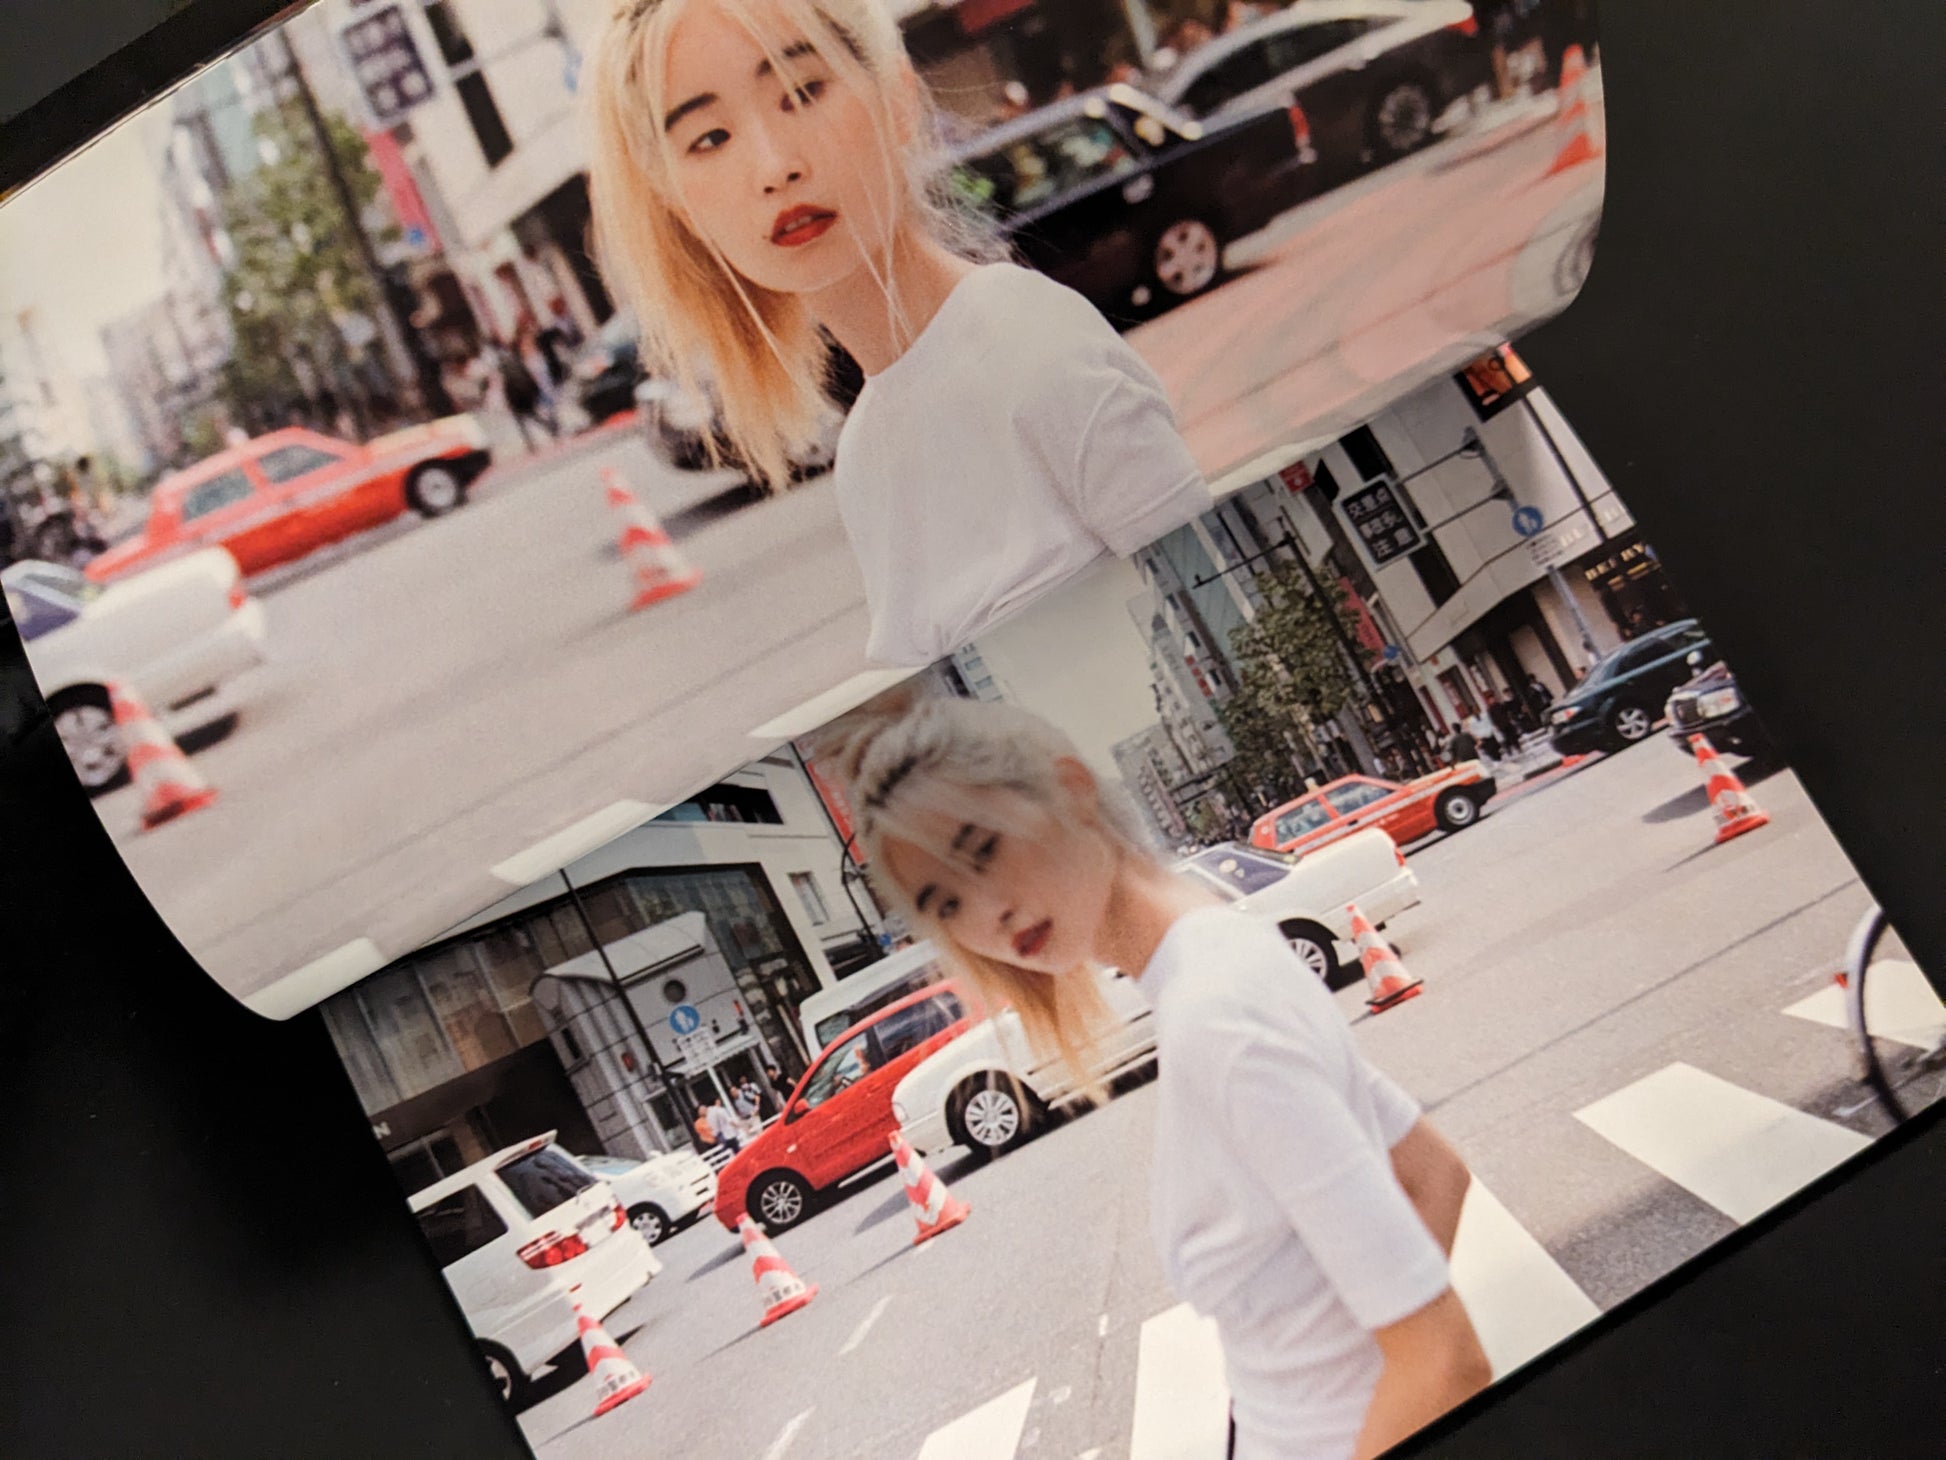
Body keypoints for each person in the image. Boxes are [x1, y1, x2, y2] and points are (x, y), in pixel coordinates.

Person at [812, 689, 1490, 1460]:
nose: (986, 911)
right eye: (946, 902)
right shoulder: (1219, 954)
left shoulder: (1215, 1019)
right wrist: (1346, 1360)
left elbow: (1445, 1359)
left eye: (984, 849)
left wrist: (1363, 1387)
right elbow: (1434, 1176)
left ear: (1071, 789)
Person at [587, 0, 1214, 668]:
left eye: (802, 91)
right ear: (680, 206)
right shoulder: (863, 450)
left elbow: (1229, 609)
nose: (774, 166)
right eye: (710, 138)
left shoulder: (1028, 344)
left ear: (896, 99)